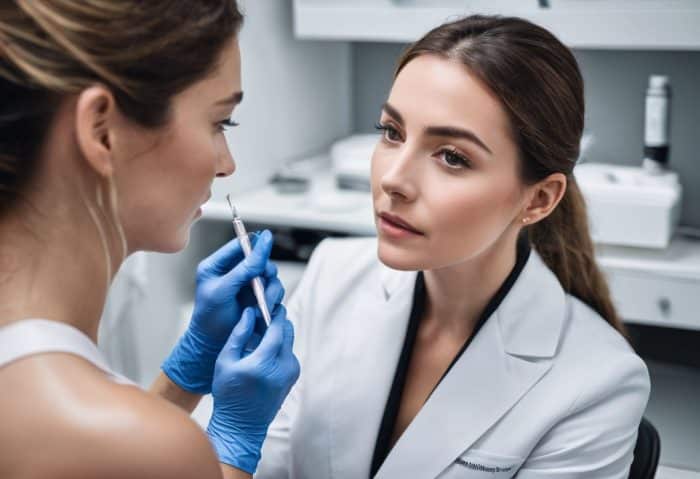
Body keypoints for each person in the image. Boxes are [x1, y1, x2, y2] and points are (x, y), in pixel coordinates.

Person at [256, 15, 651, 479]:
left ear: (538, 199)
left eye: (453, 157)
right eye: (392, 133)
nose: (393, 179)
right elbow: (264, 464)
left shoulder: (600, 383)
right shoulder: (332, 275)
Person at [0, 2, 299, 478]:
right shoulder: (136, 443)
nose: (227, 165)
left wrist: (184, 377)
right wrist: (233, 442)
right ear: (101, 131)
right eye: (220, 122)